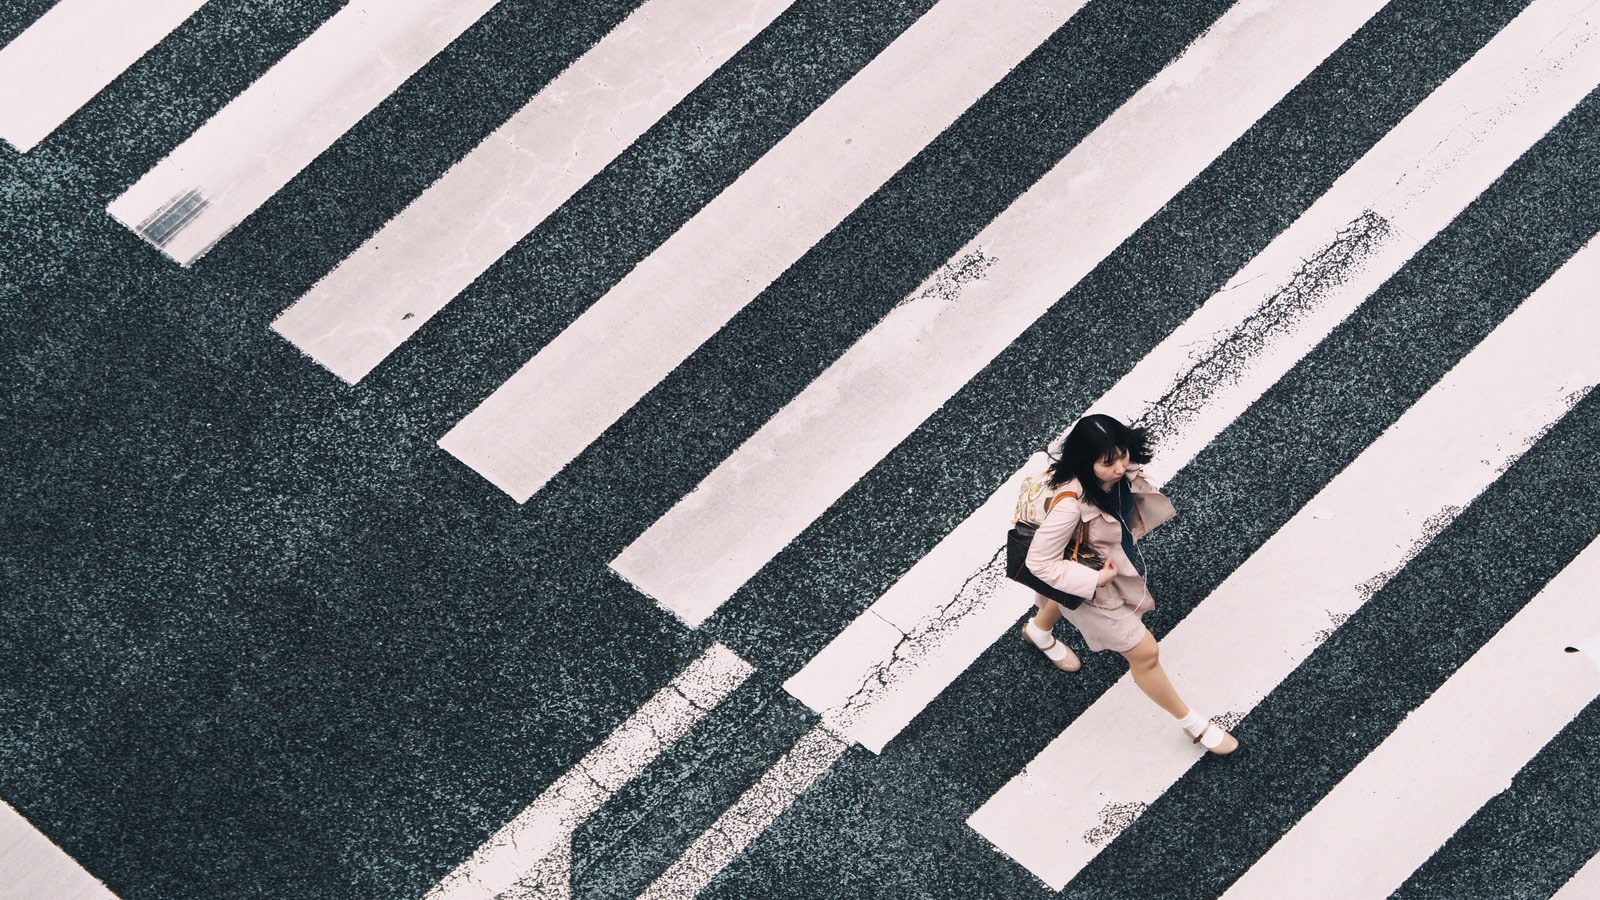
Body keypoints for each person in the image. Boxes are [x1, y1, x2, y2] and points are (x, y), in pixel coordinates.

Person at [1020, 414, 1239, 755]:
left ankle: (1038, 632)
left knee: (1061, 598)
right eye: (1109, 463)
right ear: (1085, 461)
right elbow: (1039, 563)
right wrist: (1095, 579)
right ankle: (1194, 726)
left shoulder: (1117, 473)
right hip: (1094, 586)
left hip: (1099, 565)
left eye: (1122, 455)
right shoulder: (1070, 506)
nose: (1121, 467)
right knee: (1146, 653)